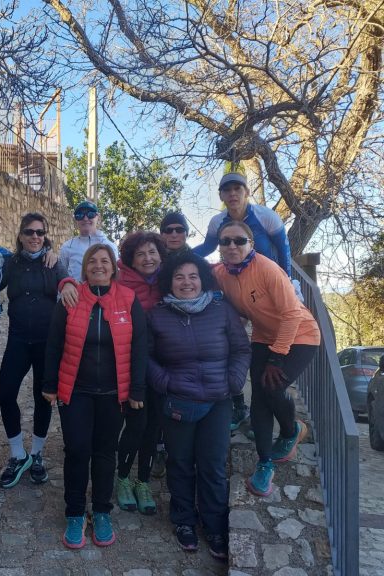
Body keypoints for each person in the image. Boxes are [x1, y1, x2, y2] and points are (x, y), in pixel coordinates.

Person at [43, 244, 148, 549]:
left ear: (113, 268)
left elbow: (140, 347)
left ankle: (102, 510)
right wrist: (49, 384)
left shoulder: (128, 299)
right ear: (85, 268)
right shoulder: (71, 298)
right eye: (93, 262)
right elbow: (54, 343)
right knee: (77, 450)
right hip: (76, 391)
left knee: (105, 453)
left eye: (105, 261)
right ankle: (75, 512)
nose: (99, 266)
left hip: (114, 394)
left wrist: (137, 389)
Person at [147, 252, 250, 559]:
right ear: (169, 283)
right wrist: (164, 383)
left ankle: (215, 525)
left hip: (218, 400)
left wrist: (233, 381)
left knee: (213, 465)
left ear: (202, 279)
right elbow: (146, 357)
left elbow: (241, 348)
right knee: (179, 462)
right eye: (179, 277)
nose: (186, 283)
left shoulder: (221, 311)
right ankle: (184, 521)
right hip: (178, 400)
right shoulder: (157, 315)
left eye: (192, 276)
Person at [212, 221, 320, 498]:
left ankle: (291, 429)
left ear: (251, 243)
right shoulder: (221, 273)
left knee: (273, 386)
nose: (232, 246)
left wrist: (277, 357)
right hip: (263, 336)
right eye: (225, 241)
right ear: (220, 246)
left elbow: (292, 314)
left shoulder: (268, 269)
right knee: (259, 396)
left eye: (239, 240)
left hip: (300, 335)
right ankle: (264, 463)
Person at [193, 168, 298, 431]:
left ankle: (268, 413)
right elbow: (206, 250)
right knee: (230, 343)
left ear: (246, 192)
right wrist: (176, 257)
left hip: (267, 290)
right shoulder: (218, 223)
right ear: (221, 195)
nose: (232, 194)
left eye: (237, 189)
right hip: (236, 288)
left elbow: (283, 249)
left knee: (269, 350)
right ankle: (238, 404)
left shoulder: (265, 217)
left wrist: (286, 280)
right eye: (227, 190)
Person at [0, 213, 66, 489]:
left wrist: (55, 257)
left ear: (45, 235)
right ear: (21, 235)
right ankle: (17, 454)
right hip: (17, 339)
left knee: (43, 397)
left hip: (46, 343)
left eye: (40, 232)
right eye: (29, 232)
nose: (35, 237)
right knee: (5, 393)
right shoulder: (10, 263)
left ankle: (36, 454)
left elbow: (70, 284)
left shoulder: (54, 263)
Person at [114, 231, 166, 515]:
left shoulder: (167, 281)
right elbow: (90, 286)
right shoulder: (121, 283)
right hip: (132, 363)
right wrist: (67, 281)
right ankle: (123, 477)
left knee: (154, 425)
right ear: (131, 259)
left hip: (164, 363)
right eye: (141, 254)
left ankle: (143, 481)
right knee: (136, 423)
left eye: (152, 253)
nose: (148, 258)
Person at [59, 200, 118, 281]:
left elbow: (116, 276)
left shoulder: (110, 246)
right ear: (75, 220)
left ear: (98, 217)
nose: (85, 218)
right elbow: (62, 276)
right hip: (77, 292)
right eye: (80, 215)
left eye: (91, 214)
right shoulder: (67, 247)